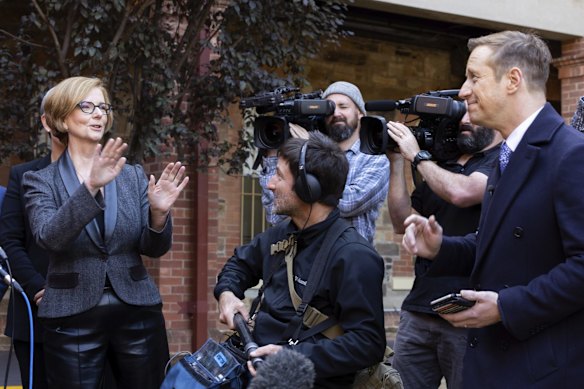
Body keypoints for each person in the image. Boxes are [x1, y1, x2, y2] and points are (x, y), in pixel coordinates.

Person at [402, 30, 584, 388]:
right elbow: (497, 246)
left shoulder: (571, 154)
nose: (463, 91)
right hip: (492, 365)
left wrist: (506, 307)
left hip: (539, 372)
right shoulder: (508, 156)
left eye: (474, 77)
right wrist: (441, 248)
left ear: (513, 80)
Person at [21, 76, 189, 389]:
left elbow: (153, 248)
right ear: (62, 117)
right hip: (72, 313)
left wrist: (158, 213)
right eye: (87, 106)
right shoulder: (38, 180)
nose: (99, 113)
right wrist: (91, 187)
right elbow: (48, 237)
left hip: (136, 309)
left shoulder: (132, 175)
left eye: (103, 107)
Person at [215, 132, 386, 388]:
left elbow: (368, 344)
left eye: (280, 176)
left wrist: (292, 357)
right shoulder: (283, 232)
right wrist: (227, 293)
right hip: (257, 374)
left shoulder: (354, 256)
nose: (270, 184)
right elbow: (240, 263)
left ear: (309, 188)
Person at [385, 109, 500, 388]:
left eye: (473, 114)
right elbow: (402, 221)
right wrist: (397, 162)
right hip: (419, 309)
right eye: (461, 115)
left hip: (468, 311)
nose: (464, 121)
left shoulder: (503, 161)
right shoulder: (442, 165)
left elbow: (464, 192)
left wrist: (417, 156)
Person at [259, 81, 389, 243]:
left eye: (343, 106)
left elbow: (349, 203)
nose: (336, 113)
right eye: (330, 108)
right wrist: (273, 153)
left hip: (347, 259)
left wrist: (310, 153)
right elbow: (275, 215)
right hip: (302, 259)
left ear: (360, 113)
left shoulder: (375, 160)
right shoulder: (299, 153)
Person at [0, 88, 65, 389]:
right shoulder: (24, 175)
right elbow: (9, 241)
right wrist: (38, 289)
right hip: (36, 317)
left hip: (98, 320)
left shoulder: (111, 176)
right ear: (47, 121)